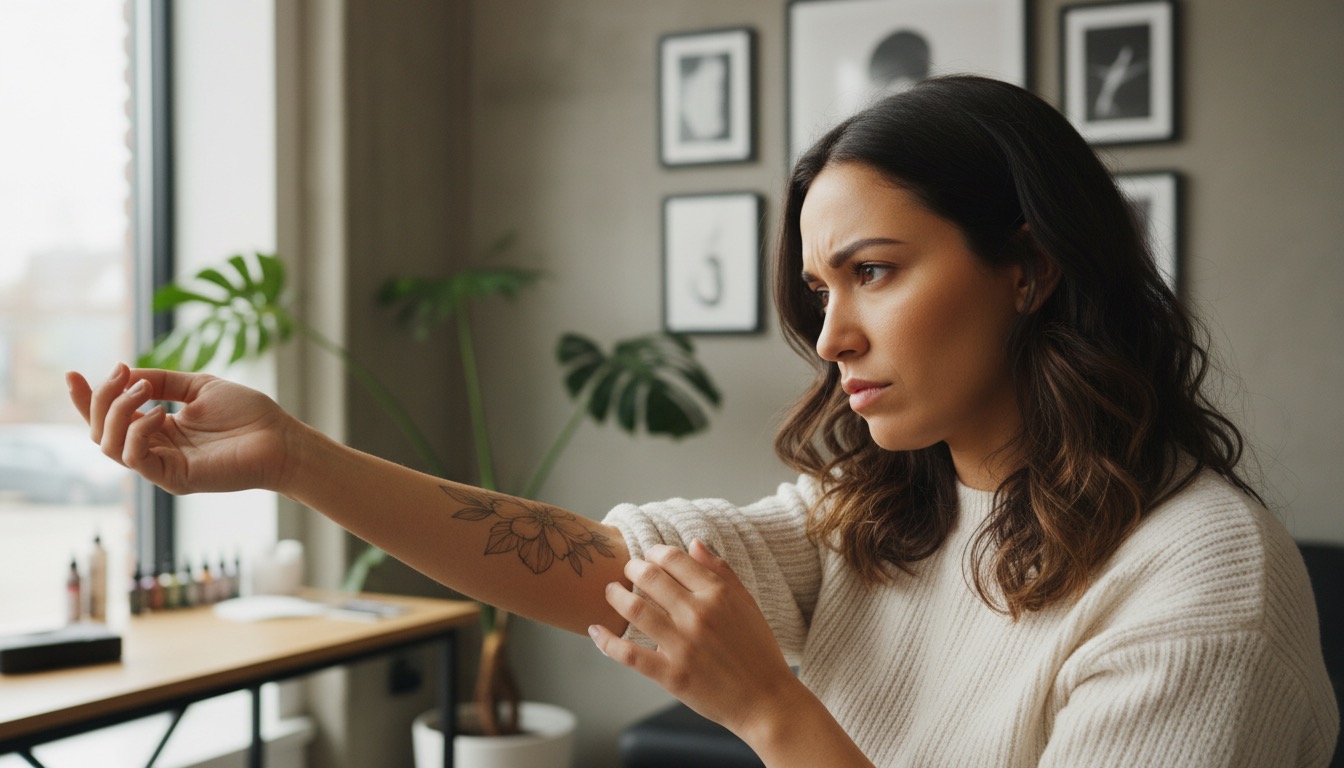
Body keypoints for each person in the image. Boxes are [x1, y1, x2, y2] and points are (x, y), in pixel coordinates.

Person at [67, 75, 1337, 767]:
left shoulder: (1204, 584)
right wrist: (295, 457)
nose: (831, 337)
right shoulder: (882, 514)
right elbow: (593, 570)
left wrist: (772, 713)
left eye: (877, 272)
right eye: (821, 288)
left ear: (1028, 266)